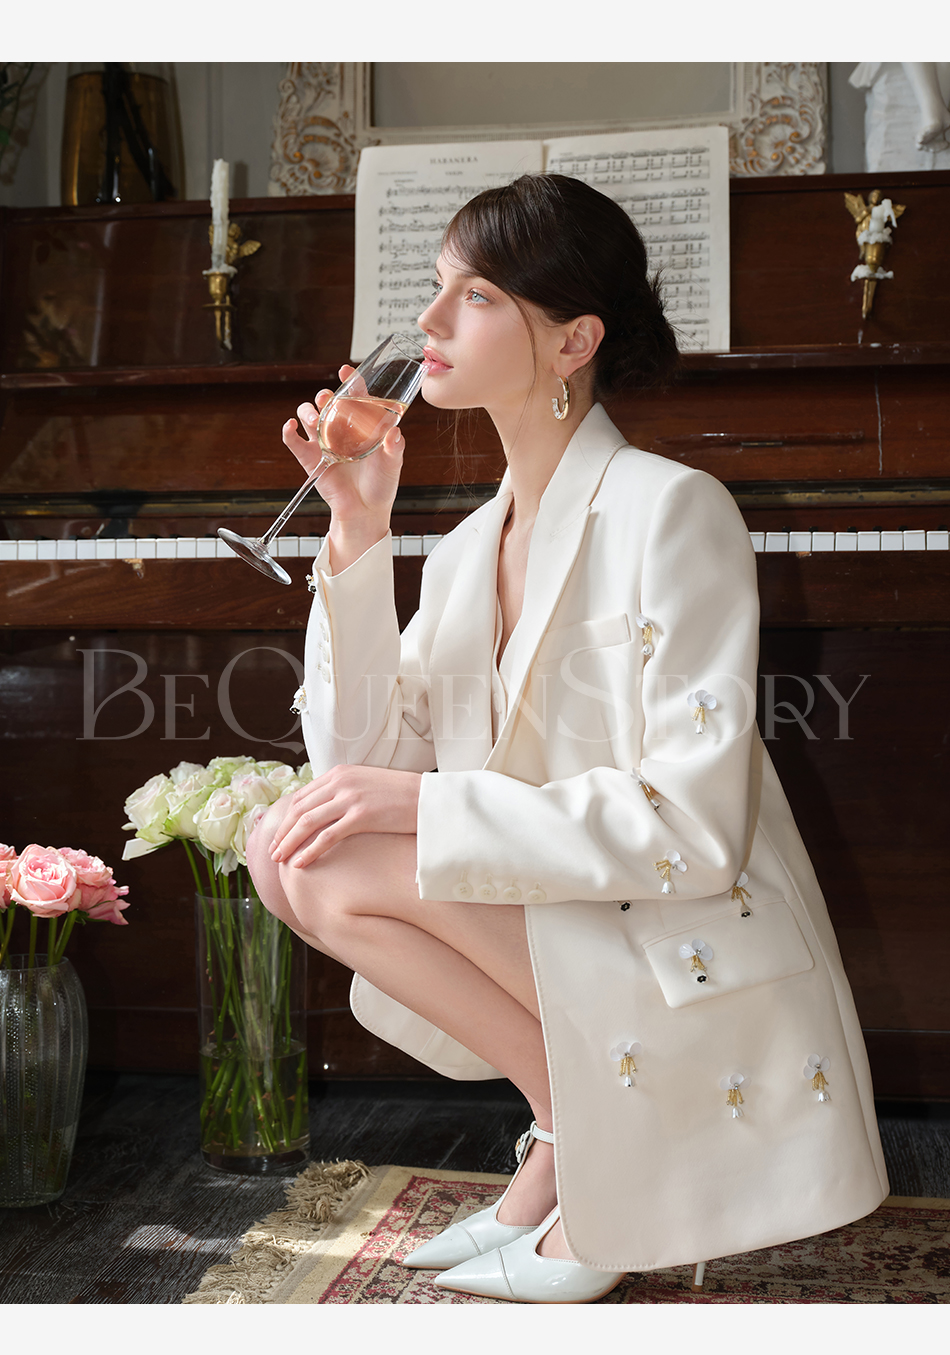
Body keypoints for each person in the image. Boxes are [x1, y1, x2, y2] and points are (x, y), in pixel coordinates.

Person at [247, 173, 888, 1304]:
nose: (429, 321)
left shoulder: (669, 508)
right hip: (564, 914)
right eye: (436, 287)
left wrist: (419, 804)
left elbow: (691, 828)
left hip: (672, 922)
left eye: (475, 295)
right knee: (290, 846)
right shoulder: (465, 548)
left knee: (331, 844)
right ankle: (573, 1131)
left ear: (573, 340)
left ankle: (599, 1158)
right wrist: (357, 529)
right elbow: (356, 762)